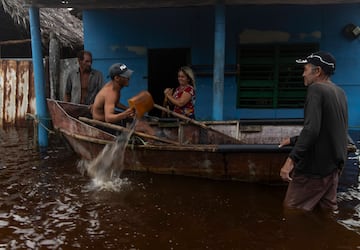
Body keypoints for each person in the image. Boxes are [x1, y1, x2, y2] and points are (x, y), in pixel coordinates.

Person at [279, 51, 348, 212]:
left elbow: (311, 130)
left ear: (317, 71)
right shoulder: (339, 92)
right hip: (333, 166)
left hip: (314, 169)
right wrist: (294, 139)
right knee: (327, 212)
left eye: (305, 69)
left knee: (292, 210)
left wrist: (290, 161)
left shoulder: (316, 89)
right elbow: (330, 128)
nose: (303, 74)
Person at [91, 63, 154, 134]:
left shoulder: (115, 87)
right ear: (117, 78)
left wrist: (127, 109)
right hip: (101, 125)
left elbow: (116, 103)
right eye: (126, 76)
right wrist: (125, 114)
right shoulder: (110, 93)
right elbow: (108, 118)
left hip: (108, 122)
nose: (129, 78)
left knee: (141, 122)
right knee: (141, 127)